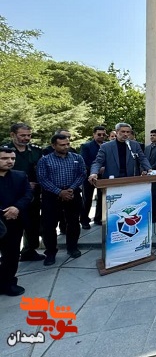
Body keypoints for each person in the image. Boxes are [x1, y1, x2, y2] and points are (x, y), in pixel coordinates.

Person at [36, 134, 87, 266]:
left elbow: (82, 174)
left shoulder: (77, 158)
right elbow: (42, 179)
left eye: (67, 144)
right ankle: (51, 252)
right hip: (52, 196)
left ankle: (72, 247)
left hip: (72, 194)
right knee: (49, 226)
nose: (66, 147)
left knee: (73, 222)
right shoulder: (45, 160)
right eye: (62, 145)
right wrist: (59, 192)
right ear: (53, 145)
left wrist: (71, 189)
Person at [3, 123, 44, 262]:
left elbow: (42, 170)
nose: (26, 138)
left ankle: (29, 251)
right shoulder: (5, 152)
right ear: (12, 135)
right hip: (10, 196)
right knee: (10, 226)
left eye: (29, 135)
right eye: (22, 135)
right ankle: (7, 254)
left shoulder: (36, 151)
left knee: (32, 224)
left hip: (32, 195)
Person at [0, 146, 32, 296]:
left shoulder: (20, 175)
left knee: (12, 255)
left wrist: (16, 208)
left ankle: (8, 283)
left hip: (15, 222)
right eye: (4, 158)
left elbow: (28, 194)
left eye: (12, 158)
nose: (10, 161)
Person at [79, 126, 107, 228]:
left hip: (104, 176)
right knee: (87, 199)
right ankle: (84, 220)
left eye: (103, 134)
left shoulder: (107, 145)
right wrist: (96, 170)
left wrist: (105, 168)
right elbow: (84, 161)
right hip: (89, 176)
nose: (101, 136)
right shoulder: (86, 146)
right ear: (94, 134)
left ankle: (98, 218)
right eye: (99, 134)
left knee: (102, 198)